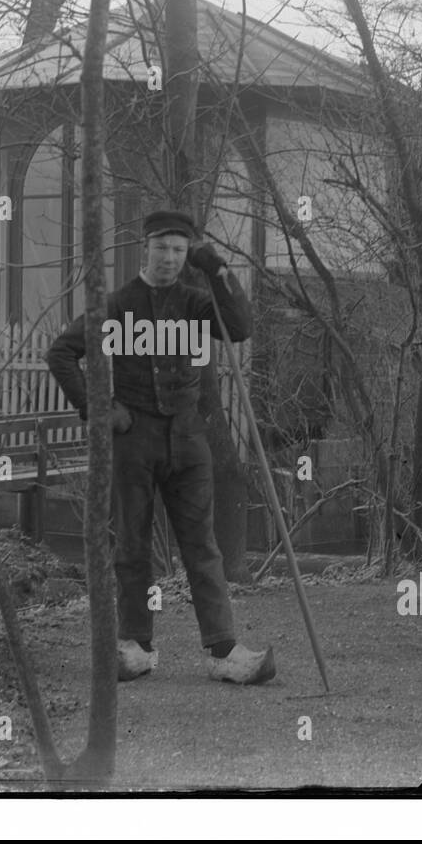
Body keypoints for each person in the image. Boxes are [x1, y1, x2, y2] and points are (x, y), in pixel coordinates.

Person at [46, 210, 276, 686]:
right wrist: (100, 406)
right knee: (131, 545)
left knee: (202, 547)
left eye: (178, 250)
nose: (169, 258)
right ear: (144, 248)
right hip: (133, 442)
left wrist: (216, 269)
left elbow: (240, 327)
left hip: (189, 441)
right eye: (161, 248)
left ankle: (223, 651)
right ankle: (135, 647)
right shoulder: (116, 306)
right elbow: (61, 353)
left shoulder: (196, 303)